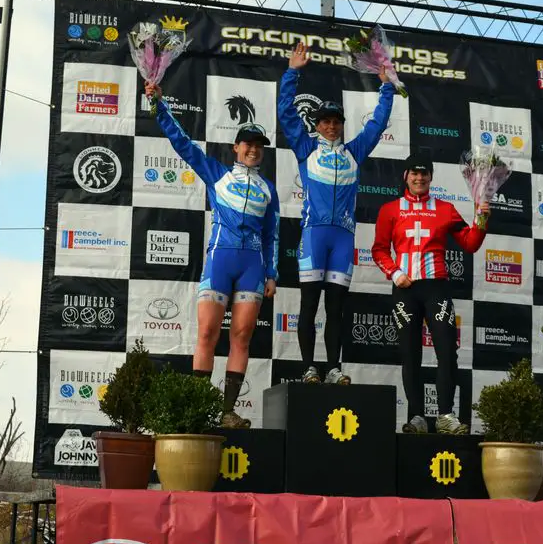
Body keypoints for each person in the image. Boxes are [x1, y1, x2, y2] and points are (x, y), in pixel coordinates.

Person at [146, 80, 279, 429]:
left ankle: (227, 411)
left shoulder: (269, 189)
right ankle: (196, 409)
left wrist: (272, 273)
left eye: (258, 145)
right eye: (247, 143)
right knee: (206, 333)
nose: (253, 149)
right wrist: (159, 106)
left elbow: (272, 233)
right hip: (220, 258)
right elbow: (183, 144)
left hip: (252, 265)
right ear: (236, 147)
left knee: (242, 336)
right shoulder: (216, 174)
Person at [278, 41, 395, 385]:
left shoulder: (354, 152)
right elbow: (286, 113)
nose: (331, 127)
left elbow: (377, 124)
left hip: (343, 238)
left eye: (336, 122)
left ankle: (333, 368)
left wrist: (387, 86)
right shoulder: (306, 148)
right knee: (309, 306)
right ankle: (309, 369)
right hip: (314, 235)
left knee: (336, 310)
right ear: (316, 125)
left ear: (342, 125)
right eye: (325, 122)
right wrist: (291, 73)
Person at [371, 152, 490, 435]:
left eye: (424, 174)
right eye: (414, 173)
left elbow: (470, 244)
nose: (419, 178)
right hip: (405, 288)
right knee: (410, 354)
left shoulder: (445, 208)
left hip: (435, 287)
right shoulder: (390, 209)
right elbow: (378, 249)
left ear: (431, 178)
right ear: (406, 177)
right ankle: (416, 417)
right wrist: (395, 273)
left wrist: (482, 220)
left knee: (447, 351)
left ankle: (446, 415)